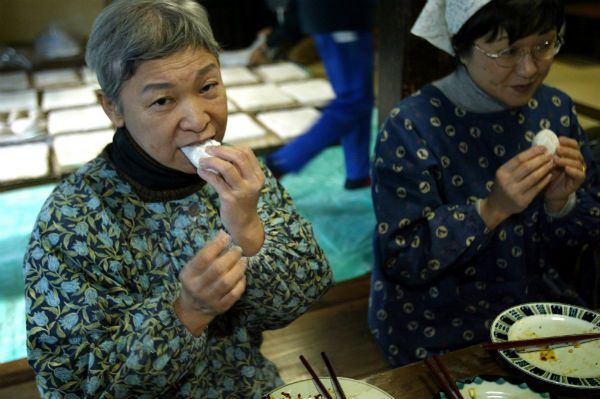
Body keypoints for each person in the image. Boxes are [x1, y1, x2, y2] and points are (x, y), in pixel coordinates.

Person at [23, 0, 332, 397]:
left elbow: (298, 300)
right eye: (163, 101)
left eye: (208, 87)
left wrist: (249, 227)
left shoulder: (236, 178)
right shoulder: (74, 218)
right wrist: (187, 313)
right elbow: (72, 386)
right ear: (113, 108)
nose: (199, 120)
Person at [369, 0, 600, 367]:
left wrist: (562, 205)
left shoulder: (555, 109)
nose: (529, 68)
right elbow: (404, 257)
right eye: (507, 52)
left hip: (542, 312)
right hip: (442, 325)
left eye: (544, 45)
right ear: (461, 47)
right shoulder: (412, 126)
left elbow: (580, 243)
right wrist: (490, 210)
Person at [251, 0, 376, 189]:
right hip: (340, 16)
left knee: (360, 98)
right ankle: (281, 161)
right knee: (353, 100)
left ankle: (358, 173)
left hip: (342, 17)